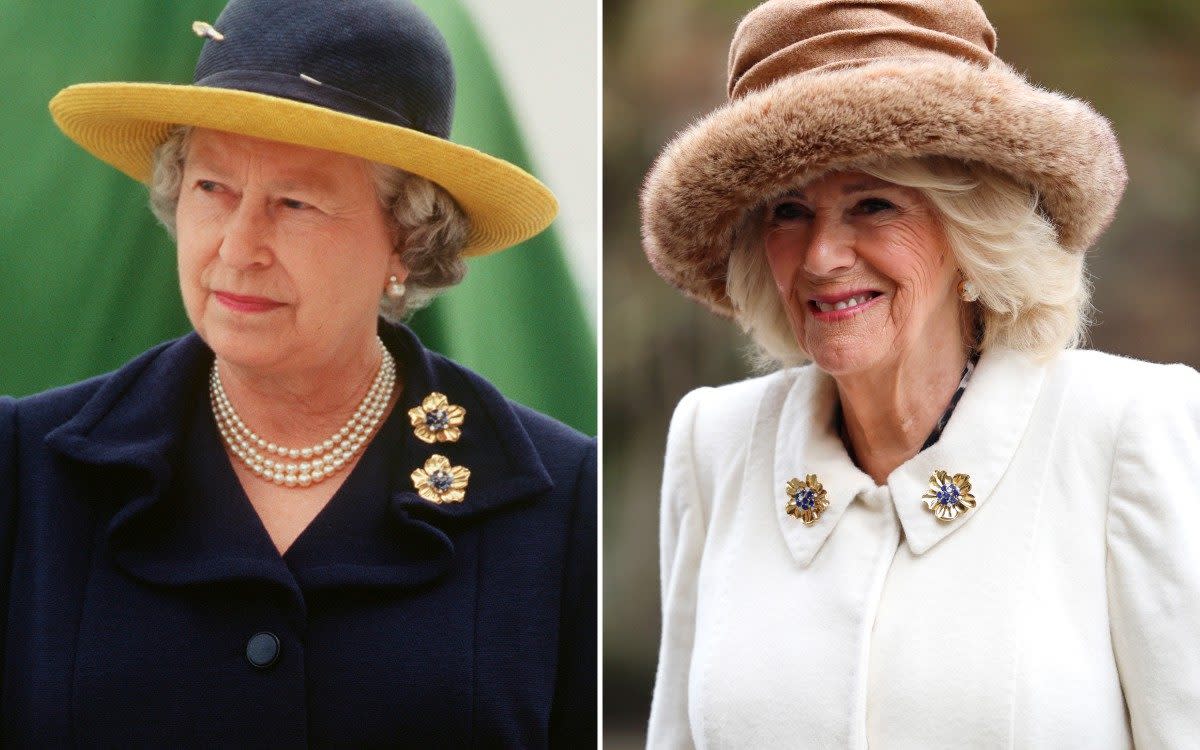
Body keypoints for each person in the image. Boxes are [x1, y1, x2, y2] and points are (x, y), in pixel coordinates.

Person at [0, 0, 595, 745]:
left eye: (295, 202)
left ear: (404, 242)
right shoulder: (30, 466)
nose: (238, 245)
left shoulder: (560, 502)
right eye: (212, 188)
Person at [640, 0, 1200, 747]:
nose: (821, 258)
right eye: (787, 212)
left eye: (873, 204)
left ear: (973, 232)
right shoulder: (715, 441)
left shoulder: (1127, 426)